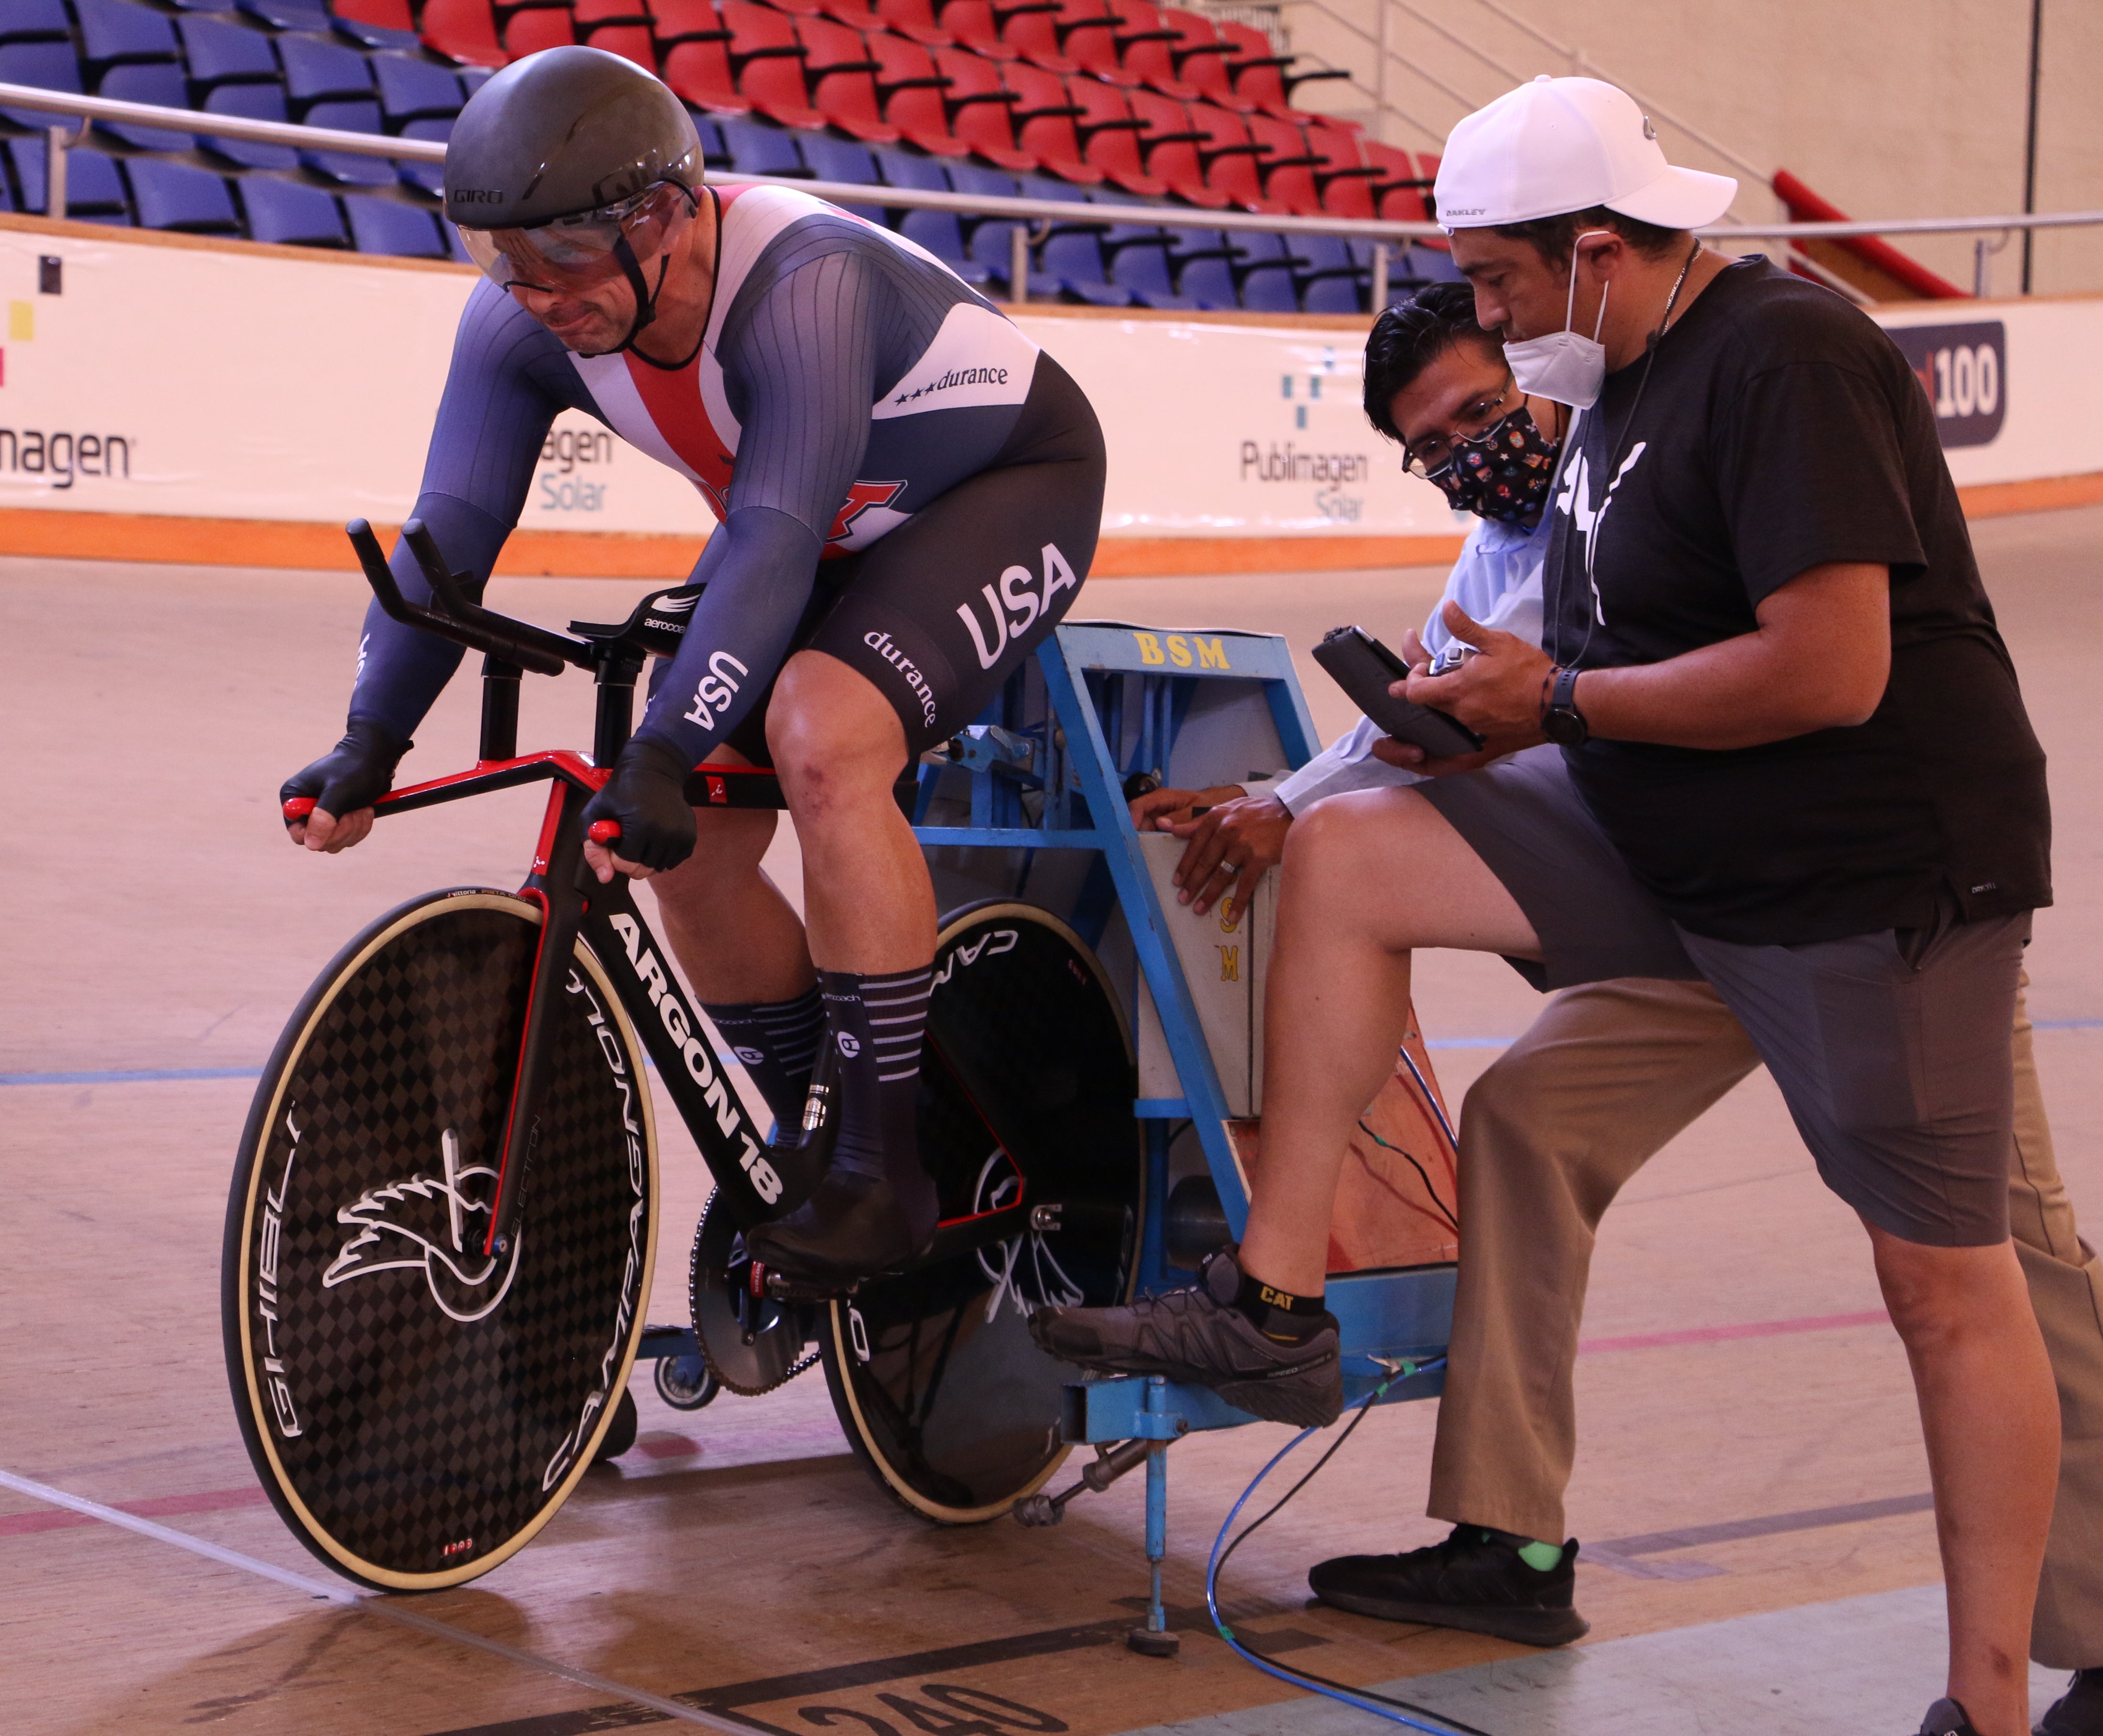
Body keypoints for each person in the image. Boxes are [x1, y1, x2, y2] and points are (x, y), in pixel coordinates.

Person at [1034, 75, 2056, 1736]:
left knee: (1969, 1281)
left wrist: (1557, 706)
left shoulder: (1788, 354)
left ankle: (1995, 1700)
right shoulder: (1617, 393)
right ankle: (1277, 1307)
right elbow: (1541, 668)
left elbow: (1833, 664)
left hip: (1876, 883)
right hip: (1689, 861)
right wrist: (1347, 779)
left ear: (1596, 251)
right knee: (1358, 862)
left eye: (1498, 289)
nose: (1491, 324)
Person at [277, 47, 1106, 1282]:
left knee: (824, 735)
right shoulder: (522, 319)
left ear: (662, 214)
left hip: (996, 495)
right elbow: (449, 532)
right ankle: (809, 1129)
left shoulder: (801, 285)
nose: (532, 291)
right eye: (499, 257)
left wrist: (665, 744)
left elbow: (772, 536)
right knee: (688, 844)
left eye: (558, 253)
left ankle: (889, 1173)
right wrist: (370, 741)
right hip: (815, 524)